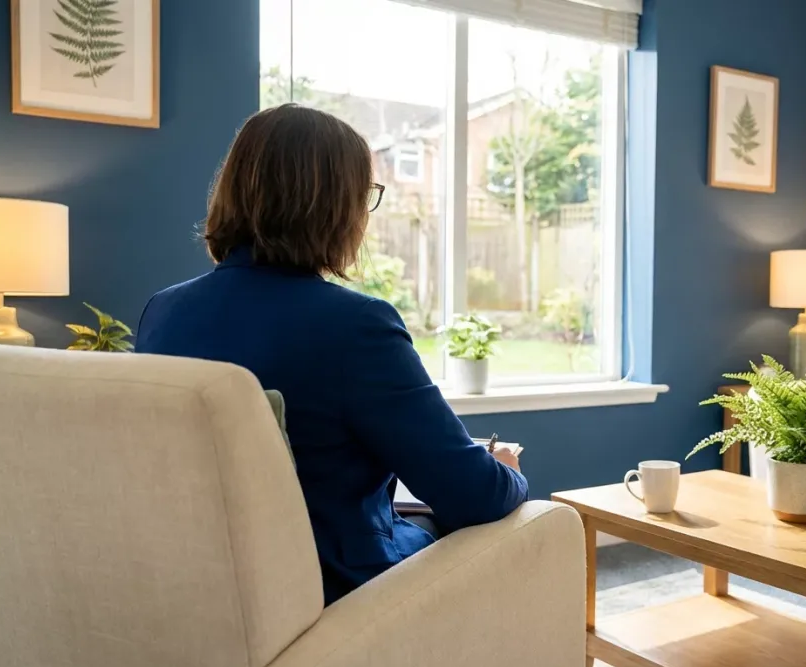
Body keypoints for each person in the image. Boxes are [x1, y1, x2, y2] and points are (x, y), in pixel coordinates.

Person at [136, 104, 528, 605]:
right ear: (337, 207)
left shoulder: (161, 312)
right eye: (365, 197)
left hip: (201, 586)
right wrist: (506, 468)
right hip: (328, 588)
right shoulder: (356, 324)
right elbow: (475, 495)